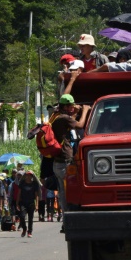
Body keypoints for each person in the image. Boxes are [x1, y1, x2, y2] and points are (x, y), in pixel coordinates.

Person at [51, 94, 91, 230]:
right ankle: (68, 221)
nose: (73, 107)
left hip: (58, 162)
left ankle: (66, 220)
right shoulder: (63, 118)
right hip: (64, 162)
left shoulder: (57, 116)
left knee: (63, 193)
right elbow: (79, 124)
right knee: (68, 193)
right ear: (66, 106)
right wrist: (85, 110)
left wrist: (76, 112)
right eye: (71, 106)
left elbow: (71, 121)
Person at [17, 171, 41, 238]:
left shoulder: (34, 184)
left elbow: (36, 195)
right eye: (27, 175)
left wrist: (37, 205)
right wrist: (17, 203)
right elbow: (19, 193)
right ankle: (24, 229)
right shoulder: (22, 183)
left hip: (31, 203)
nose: (28, 177)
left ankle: (29, 232)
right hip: (23, 203)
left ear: (32, 176)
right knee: (22, 216)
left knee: (30, 218)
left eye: (30, 175)